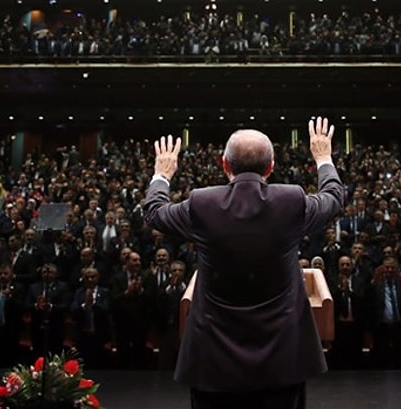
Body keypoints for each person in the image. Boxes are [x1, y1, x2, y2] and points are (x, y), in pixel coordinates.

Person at [145, 117, 344, 409]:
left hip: (214, 361)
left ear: (224, 164)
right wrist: (323, 157)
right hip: (282, 359)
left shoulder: (202, 204)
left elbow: (154, 211)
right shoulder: (291, 201)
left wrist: (162, 174)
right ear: (270, 167)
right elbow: (334, 197)